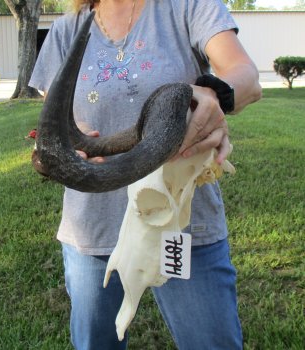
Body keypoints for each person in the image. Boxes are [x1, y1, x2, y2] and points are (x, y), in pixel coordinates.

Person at [29, 0, 262, 349]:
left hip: (179, 225)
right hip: (91, 229)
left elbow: (246, 75)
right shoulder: (66, 30)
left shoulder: (188, 7)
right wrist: (55, 154)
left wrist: (215, 94)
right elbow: (61, 124)